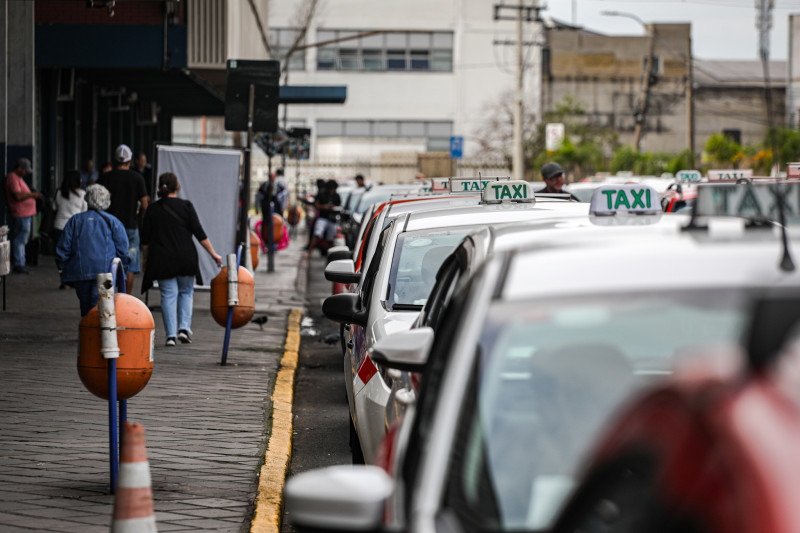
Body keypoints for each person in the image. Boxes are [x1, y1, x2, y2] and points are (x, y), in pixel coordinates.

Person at [141, 172, 223, 347]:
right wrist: (213, 254)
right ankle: (184, 329)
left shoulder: (153, 209)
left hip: (162, 259)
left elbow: (145, 240)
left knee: (168, 295)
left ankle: (170, 336)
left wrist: (145, 260)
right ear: (177, 187)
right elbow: (199, 233)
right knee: (186, 292)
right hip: (186, 257)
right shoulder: (186, 206)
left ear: (159, 187)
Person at [56, 184, 130, 316]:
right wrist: (122, 270)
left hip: (80, 272)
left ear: (87, 198)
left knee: (85, 307)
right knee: (100, 306)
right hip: (106, 272)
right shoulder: (113, 221)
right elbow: (123, 250)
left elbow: (63, 247)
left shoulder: (75, 220)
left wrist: (62, 268)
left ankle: (88, 332)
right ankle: (98, 334)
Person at [98, 144, 149, 294]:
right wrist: (139, 215)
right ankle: (126, 299)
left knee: (108, 263)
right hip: (131, 227)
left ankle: (107, 298)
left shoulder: (106, 177)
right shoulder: (138, 178)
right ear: (130, 160)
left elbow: (99, 202)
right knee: (130, 266)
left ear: (115, 160)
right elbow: (145, 204)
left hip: (108, 227)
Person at [4, 158, 41, 274]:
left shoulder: (18, 178)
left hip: (25, 214)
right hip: (21, 213)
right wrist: (32, 194)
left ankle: (21, 262)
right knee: (21, 239)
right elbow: (17, 196)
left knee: (23, 239)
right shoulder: (13, 178)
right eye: (25, 170)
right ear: (19, 167)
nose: (25, 173)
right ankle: (18, 263)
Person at [53, 170, 88, 288]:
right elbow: (84, 212)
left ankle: (63, 279)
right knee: (73, 254)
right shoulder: (83, 194)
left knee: (61, 255)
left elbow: (54, 207)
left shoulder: (59, 192)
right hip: (74, 229)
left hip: (58, 227)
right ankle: (71, 279)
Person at [305, 179, 341, 257]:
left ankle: (330, 255)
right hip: (323, 217)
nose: (332, 191)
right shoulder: (322, 194)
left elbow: (339, 207)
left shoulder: (336, 195)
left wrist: (333, 208)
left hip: (332, 219)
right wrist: (324, 207)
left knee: (331, 239)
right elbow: (316, 204)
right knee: (317, 234)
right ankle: (309, 252)